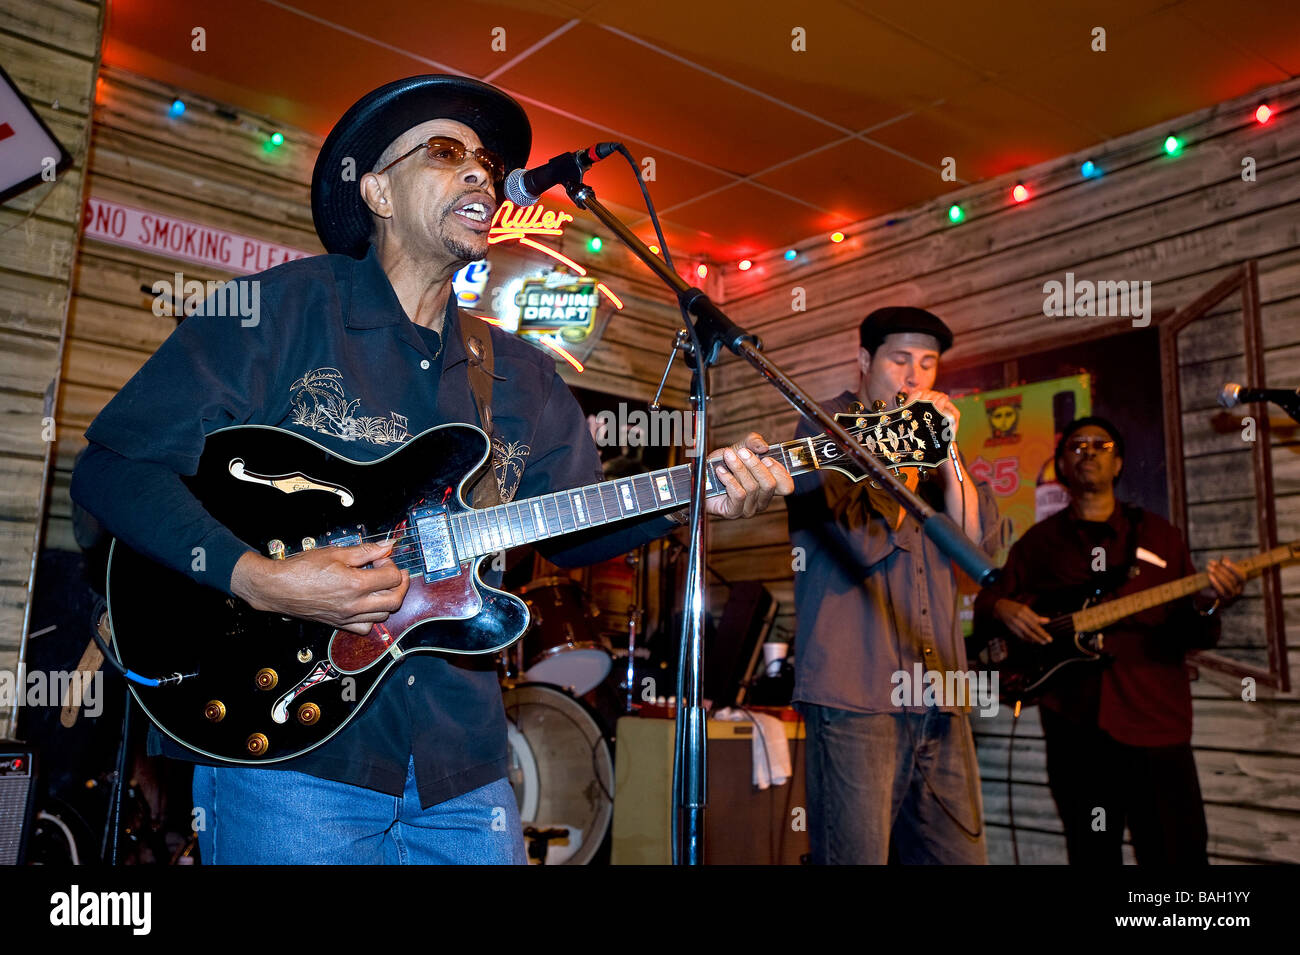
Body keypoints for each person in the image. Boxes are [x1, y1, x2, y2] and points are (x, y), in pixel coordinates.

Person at [70, 74, 792, 865]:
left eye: (485, 160)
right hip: (288, 755)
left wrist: (698, 496)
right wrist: (260, 578)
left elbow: (580, 529)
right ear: (377, 190)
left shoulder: (522, 375)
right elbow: (114, 468)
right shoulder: (279, 311)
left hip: (464, 767)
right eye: (448, 154)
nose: (482, 173)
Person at [973, 417, 1244, 864]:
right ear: (1061, 462)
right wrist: (1003, 607)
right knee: (1091, 852)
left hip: (1156, 725)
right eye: (1077, 445)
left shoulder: (1160, 536)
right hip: (1076, 731)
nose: (1089, 451)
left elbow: (1191, 634)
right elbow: (988, 603)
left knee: (1176, 855)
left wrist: (1207, 603)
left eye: (1102, 445)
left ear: (1118, 463)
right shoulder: (1038, 545)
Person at [786, 306, 999, 864]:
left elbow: (975, 551)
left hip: (941, 696)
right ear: (864, 361)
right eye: (900, 359)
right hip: (858, 696)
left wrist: (946, 451)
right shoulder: (825, 427)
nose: (915, 377)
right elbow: (865, 540)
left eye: (928, 365)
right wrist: (907, 445)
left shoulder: (935, 442)